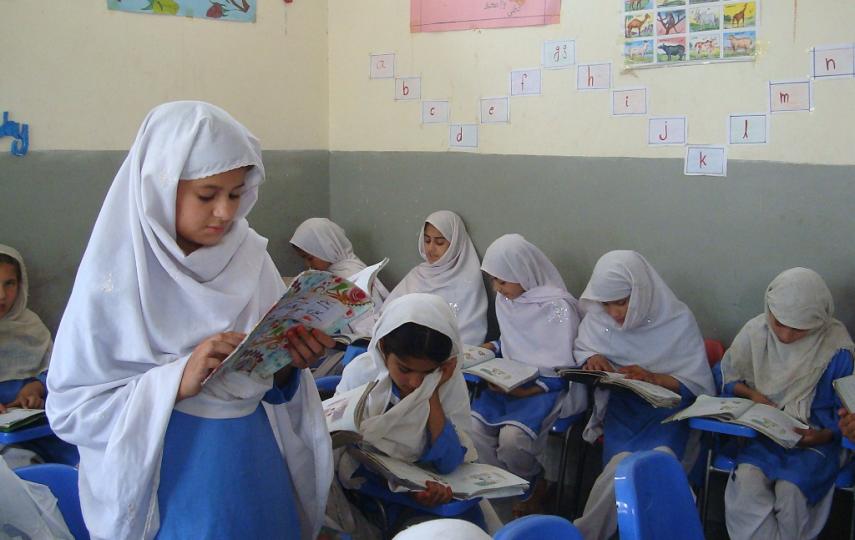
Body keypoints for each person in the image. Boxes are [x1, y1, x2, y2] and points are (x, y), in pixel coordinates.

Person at [45, 101, 334, 539]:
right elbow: (72, 409)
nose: (225, 212)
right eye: (207, 195)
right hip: (172, 484)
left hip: (252, 468)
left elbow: (270, 382)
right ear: (159, 186)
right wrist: (176, 380)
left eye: (235, 194)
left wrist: (290, 363)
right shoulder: (114, 278)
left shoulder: (250, 258)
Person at [572, 250, 714, 540]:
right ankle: (592, 533)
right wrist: (593, 358)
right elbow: (584, 347)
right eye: (606, 303)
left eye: (622, 302)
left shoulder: (677, 321)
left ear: (642, 292)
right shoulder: (599, 320)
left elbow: (697, 384)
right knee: (619, 468)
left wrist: (653, 377)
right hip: (624, 411)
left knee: (655, 465)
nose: (614, 313)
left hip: (668, 415)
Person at [328, 293, 482, 538]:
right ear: (382, 348)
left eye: (427, 372)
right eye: (404, 369)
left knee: (467, 526)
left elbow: (449, 461)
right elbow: (344, 449)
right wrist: (404, 487)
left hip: (430, 483)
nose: (414, 382)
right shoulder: (361, 375)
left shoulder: (448, 383)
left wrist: (432, 394)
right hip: (370, 486)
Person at [720, 267, 854, 540]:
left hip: (818, 443)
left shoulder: (836, 348)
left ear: (819, 322)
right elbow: (726, 377)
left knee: (790, 490)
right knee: (747, 479)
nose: (785, 336)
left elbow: (845, 412)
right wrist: (752, 395)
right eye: (779, 322)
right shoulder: (756, 333)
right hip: (765, 438)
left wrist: (823, 435)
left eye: (798, 329)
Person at [470, 234, 585, 516]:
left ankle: (532, 482)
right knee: (472, 429)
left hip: (546, 387)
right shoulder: (506, 300)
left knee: (513, 441)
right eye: (493, 281)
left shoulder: (558, 306)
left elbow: (563, 364)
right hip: (507, 382)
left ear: (523, 272)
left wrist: (527, 390)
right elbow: (516, 341)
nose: (497, 289)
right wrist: (492, 347)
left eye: (502, 281)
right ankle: (510, 490)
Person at [0, 245, 77, 467]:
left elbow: (58, 373)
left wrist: (36, 387)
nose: (2, 295)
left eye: (9, 283)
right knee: (19, 463)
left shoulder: (31, 326)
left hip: (39, 428)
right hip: (6, 442)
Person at [384, 211, 488, 346]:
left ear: (455, 244)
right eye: (427, 240)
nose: (430, 248)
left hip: (443, 351)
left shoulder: (468, 282)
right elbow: (387, 313)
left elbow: (469, 335)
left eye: (439, 242)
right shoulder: (418, 274)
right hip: (405, 347)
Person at [290, 217, 389, 307]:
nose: (307, 264)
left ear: (327, 249)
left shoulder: (352, 274)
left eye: (310, 258)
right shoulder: (328, 273)